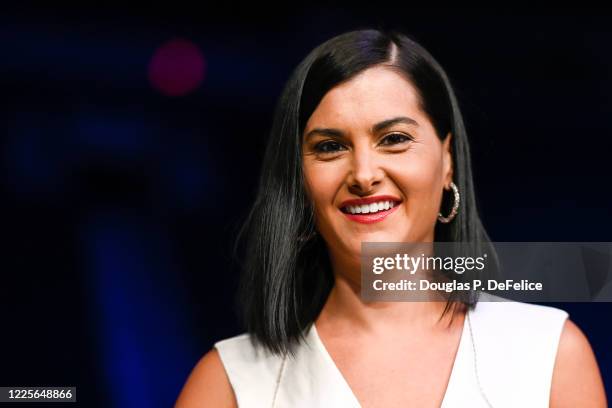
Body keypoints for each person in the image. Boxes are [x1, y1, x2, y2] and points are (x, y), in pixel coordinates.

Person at [175, 29, 606, 407]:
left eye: (394, 139)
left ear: (447, 160)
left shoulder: (549, 356)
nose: (363, 174)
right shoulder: (231, 384)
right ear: (299, 179)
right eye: (329, 146)